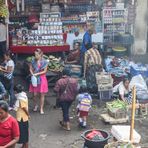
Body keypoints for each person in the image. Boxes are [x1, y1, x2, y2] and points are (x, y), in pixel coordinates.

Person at [29, 48, 48, 114]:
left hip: (42, 79)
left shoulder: (45, 61)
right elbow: (30, 68)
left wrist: (37, 74)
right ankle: (36, 105)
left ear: (40, 54)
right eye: (35, 55)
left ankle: (41, 108)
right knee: (34, 95)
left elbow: (45, 71)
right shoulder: (33, 61)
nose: (35, 56)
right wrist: (32, 74)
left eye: (37, 55)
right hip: (34, 78)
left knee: (42, 94)